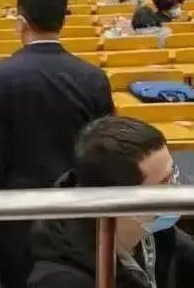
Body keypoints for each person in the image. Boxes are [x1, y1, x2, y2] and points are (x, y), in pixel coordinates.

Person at [0, 0, 114, 288]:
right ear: (63, 20)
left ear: (21, 21)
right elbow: (106, 152)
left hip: (17, 216)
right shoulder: (94, 77)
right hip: (76, 214)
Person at [29, 116, 194, 288]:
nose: (175, 191)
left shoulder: (153, 231)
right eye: (163, 184)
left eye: (173, 174)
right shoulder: (63, 280)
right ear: (120, 200)